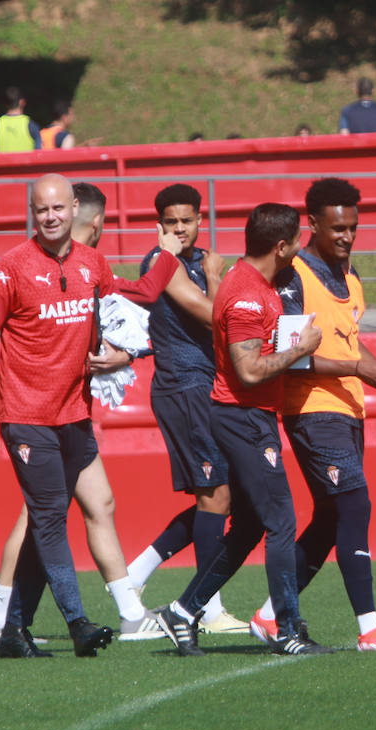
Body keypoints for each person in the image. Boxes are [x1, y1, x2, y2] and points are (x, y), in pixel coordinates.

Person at [0, 181, 188, 649]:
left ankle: (7, 626)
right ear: (32, 212)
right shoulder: (9, 268)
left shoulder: (94, 265)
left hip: (74, 415)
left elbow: (126, 314)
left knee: (77, 508)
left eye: (57, 207)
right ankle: (79, 622)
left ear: (73, 210)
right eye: (40, 209)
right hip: (28, 415)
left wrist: (123, 357)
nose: (49, 216)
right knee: (45, 516)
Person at [150, 203, 328, 657]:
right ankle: (287, 628)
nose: (299, 251)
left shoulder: (251, 283)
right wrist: (300, 348)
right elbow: (248, 371)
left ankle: (183, 611)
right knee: (282, 521)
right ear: (281, 245)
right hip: (243, 417)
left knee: (250, 524)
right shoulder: (248, 293)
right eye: (296, 243)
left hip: (248, 416)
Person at [242, 177, 376, 652]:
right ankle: (369, 627)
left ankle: (271, 614)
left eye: (353, 228)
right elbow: (290, 357)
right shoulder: (295, 276)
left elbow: (346, 341)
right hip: (313, 411)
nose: (347, 236)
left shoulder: (352, 278)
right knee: (355, 505)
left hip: (349, 409)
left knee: (332, 518)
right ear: (312, 224)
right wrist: (359, 366)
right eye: (337, 228)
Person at [123, 183, 251, 640]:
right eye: (171, 222)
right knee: (216, 496)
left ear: (201, 220)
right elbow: (211, 313)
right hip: (183, 388)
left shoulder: (201, 260)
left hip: (206, 388)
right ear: (159, 225)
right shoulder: (162, 262)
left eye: (188, 220)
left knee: (218, 498)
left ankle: (134, 577)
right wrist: (218, 279)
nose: (180, 229)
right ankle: (207, 608)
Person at [0, 87, 41, 152]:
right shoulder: (31, 126)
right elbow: (39, 154)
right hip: (26, 162)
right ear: (22, 102)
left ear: (5, 104)